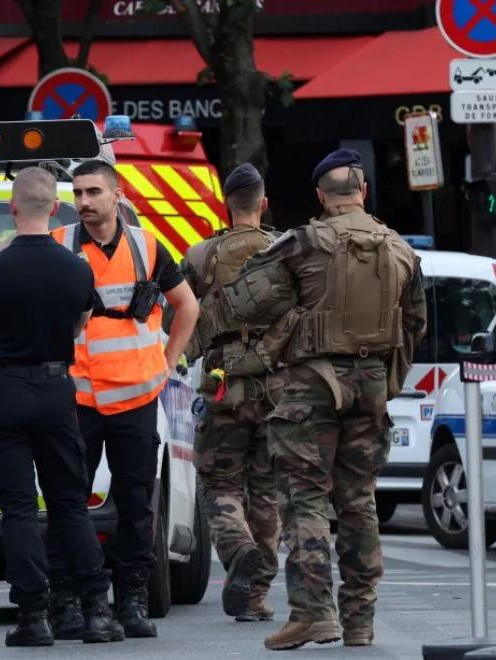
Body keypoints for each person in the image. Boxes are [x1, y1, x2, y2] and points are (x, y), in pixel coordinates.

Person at [211, 149, 426, 650]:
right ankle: (359, 620)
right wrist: (385, 381)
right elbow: (415, 326)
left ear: (320, 196)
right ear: (364, 192)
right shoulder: (400, 249)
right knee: (359, 501)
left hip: (311, 387)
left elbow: (244, 300)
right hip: (371, 387)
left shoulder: (303, 243)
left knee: (304, 498)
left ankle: (311, 613)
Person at [0, 167, 125, 647]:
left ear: (12, 209)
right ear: (56, 208)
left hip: (6, 389)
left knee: (17, 510)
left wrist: (2, 342)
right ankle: (97, 611)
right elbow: (79, 325)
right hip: (57, 391)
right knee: (70, 504)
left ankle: (33, 616)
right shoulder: (78, 268)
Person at [46, 160, 199, 639]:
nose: (85, 202)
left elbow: (187, 306)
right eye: (78, 193)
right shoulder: (59, 246)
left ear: (117, 195)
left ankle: (131, 600)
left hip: (136, 398)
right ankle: (66, 601)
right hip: (79, 399)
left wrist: (168, 361)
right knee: (68, 503)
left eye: (94, 192)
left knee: (137, 504)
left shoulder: (147, 246)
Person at [179, 163, 281, 623]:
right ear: (263, 203)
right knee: (265, 489)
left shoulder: (202, 254)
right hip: (276, 384)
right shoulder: (286, 251)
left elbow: (178, 317)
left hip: (223, 384)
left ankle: (238, 549)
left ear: (226, 204)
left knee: (220, 482)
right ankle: (256, 597)